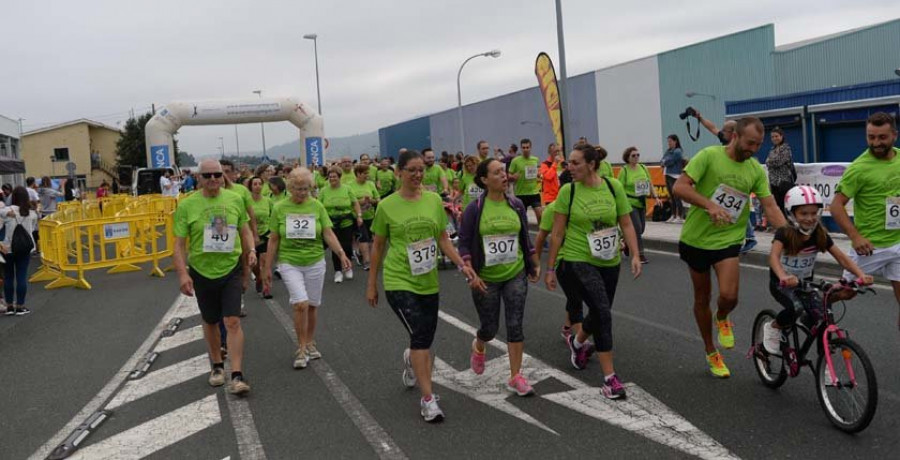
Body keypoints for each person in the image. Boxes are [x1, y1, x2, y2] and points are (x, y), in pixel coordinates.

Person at [366, 150, 481, 423]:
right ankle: (428, 399)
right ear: (399, 173)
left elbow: (442, 239)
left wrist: (462, 265)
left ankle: (410, 357)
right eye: (411, 170)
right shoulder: (386, 206)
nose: (418, 175)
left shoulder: (432, 200)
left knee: (424, 339)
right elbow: (379, 246)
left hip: (428, 279)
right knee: (420, 336)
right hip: (398, 279)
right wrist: (372, 284)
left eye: (421, 170)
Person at [672, 117, 786, 378]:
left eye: (758, 144)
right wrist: (710, 205)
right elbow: (680, 187)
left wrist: (788, 234)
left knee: (729, 296)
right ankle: (711, 351)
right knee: (702, 298)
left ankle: (722, 316)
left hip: (728, 240)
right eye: (750, 143)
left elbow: (769, 205)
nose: (754, 149)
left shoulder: (755, 169)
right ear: (735, 136)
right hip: (696, 240)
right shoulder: (709, 156)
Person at [544, 143, 641, 400]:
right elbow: (557, 233)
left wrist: (635, 254)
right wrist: (551, 268)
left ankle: (577, 344)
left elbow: (627, 223)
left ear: (591, 164)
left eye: (575, 163)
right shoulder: (568, 191)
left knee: (600, 311)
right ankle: (610, 379)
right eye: (569, 162)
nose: (569, 167)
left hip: (609, 260)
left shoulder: (613, 186)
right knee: (602, 312)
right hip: (579, 258)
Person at [173, 160, 256, 395]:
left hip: (230, 268)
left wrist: (250, 250)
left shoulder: (235, 199)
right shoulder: (187, 205)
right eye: (207, 175)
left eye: (216, 175)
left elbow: (245, 229)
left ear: (223, 177)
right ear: (198, 178)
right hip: (201, 270)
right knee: (210, 320)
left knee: (232, 320)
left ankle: (237, 374)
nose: (212, 179)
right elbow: (178, 245)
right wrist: (182, 274)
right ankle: (217, 365)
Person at [458, 158, 540, 396]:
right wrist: (469, 268)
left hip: (515, 273)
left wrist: (533, 263)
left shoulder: (516, 205)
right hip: (486, 277)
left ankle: (516, 376)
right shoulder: (475, 208)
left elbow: (525, 238)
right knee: (490, 328)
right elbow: (464, 243)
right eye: (497, 173)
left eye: (503, 172)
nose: (503, 176)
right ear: (484, 180)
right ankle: (480, 344)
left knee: (515, 324)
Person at [763, 186, 872, 353]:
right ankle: (773, 326)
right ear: (792, 214)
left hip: (805, 284)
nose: (810, 218)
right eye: (804, 214)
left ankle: (826, 365)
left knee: (824, 319)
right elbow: (773, 257)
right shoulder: (784, 233)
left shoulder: (819, 234)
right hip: (781, 284)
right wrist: (783, 276)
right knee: (796, 309)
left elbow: (841, 258)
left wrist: (860, 275)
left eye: (814, 213)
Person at [264, 169, 352, 368]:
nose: (302, 192)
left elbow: (328, 233)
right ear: (290, 188)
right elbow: (273, 239)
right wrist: (267, 267)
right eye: (297, 189)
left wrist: (341, 253)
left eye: (305, 189)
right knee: (300, 303)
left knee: (312, 305)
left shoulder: (317, 205)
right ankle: (301, 348)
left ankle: (310, 342)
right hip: (289, 261)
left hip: (315, 260)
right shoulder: (279, 208)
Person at [831, 112, 900, 330]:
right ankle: (811, 304)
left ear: (894, 136)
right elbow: (835, 206)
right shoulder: (859, 168)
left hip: (898, 242)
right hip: (869, 247)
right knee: (846, 293)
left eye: (882, 137)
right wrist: (855, 236)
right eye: (871, 137)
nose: (876, 143)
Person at [616, 147, 661, 264]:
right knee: (637, 228)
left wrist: (656, 197)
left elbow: (649, 183)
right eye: (633, 156)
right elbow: (619, 188)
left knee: (641, 229)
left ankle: (626, 241)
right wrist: (620, 203)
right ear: (627, 157)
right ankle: (640, 254)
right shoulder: (624, 171)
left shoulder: (643, 168)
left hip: (642, 202)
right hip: (630, 203)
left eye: (638, 155)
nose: (636, 157)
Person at [319, 166, 362, 283]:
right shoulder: (323, 190)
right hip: (330, 223)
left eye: (334, 176)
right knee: (335, 247)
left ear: (339, 177)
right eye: (330, 177)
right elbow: (319, 206)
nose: (332, 179)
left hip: (346, 221)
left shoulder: (347, 189)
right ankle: (337, 271)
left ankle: (347, 267)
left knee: (346, 245)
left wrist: (359, 216)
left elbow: (355, 203)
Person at [1, 187, 38, 316]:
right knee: (21, 276)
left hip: (7, 249)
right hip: (25, 248)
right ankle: (21, 306)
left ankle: (10, 306)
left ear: (13, 197)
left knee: (8, 277)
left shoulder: (7, 211)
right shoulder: (32, 213)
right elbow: (32, 229)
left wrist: (7, 214)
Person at [349, 164, 380, 270]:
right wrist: (360, 202)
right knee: (363, 238)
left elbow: (378, 199)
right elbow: (348, 202)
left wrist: (371, 201)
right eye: (365, 173)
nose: (368, 175)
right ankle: (367, 262)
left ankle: (367, 257)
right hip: (358, 217)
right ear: (358, 173)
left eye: (368, 173)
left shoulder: (371, 184)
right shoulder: (350, 186)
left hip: (371, 216)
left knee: (372, 240)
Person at [507, 138, 543, 224]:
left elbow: (538, 172)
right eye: (523, 147)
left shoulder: (535, 159)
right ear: (521, 148)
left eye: (527, 147)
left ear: (530, 148)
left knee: (540, 215)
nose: (525, 149)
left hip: (534, 192)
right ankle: (524, 236)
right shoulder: (515, 161)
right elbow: (508, 175)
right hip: (521, 194)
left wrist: (539, 175)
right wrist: (513, 177)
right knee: (522, 219)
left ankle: (542, 236)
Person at [249, 176, 274, 298]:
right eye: (255, 184)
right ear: (251, 187)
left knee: (264, 261)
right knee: (253, 264)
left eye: (260, 184)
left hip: (265, 234)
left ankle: (266, 287)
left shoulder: (267, 201)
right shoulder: (247, 202)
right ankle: (258, 277)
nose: (258, 186)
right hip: (251, 236)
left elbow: (273, 215)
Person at [765, 127, 796, 215]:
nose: (774, 138)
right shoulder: (772, 149)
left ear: (781, 136)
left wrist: (771, 161)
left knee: (785, 206)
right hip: (774, 182)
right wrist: (771, 161)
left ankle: (789, 225)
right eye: (772, 137)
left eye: (776, 136)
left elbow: (778, 162)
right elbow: (767, 162)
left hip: (784, 182)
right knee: (777, 206)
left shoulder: (786, 148)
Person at [661, 135, 685, 223]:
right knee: (671, 196)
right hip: (667, 174)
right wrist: (664, 161)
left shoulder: (678, 151)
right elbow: (662, 160)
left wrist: (665, 161)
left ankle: (680, 216)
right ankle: (673, 215)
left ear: (675, 141)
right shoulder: (668, 151)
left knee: (676, 196)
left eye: (670, 141)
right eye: (668, 141)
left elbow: (670, 161)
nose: (669, 143)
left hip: (675, 175)